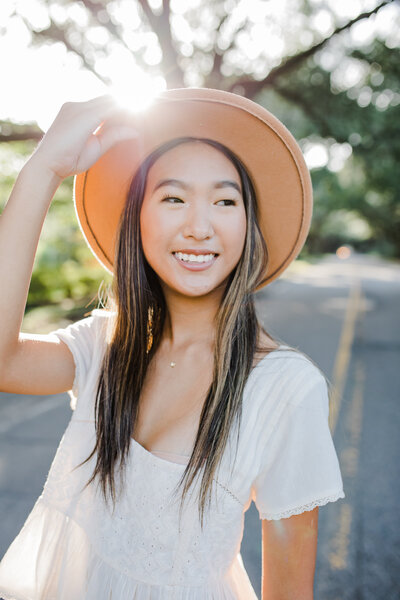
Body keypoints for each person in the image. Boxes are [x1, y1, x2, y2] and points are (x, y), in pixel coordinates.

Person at [0, 88, 345, 599]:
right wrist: (43, 170)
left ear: (248, 227)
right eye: (174, 198)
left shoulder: (285, 388)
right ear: (137, 219)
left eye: (225, 201)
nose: (199, 227)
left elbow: (291, 589)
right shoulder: (106, 345)